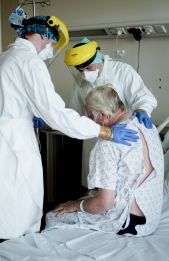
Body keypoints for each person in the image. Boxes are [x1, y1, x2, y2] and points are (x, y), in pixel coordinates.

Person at [0, 14, 139, 252]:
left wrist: (27, 114)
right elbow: (57, 113)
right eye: (53, 44)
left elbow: (6, 102)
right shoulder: (30, 62)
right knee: (16, 209)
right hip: (11, 144)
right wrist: (104, 131)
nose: (51, 49)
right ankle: (16, 254)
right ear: (45, 36)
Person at [45, 85, 164, 237]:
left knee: (52, 217)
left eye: (90, 116)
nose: (90, 121)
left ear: (102, 114)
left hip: (127, 222)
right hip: (150, 219)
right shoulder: (148, 125)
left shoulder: (107, 144)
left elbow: (104, 203)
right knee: (89, 196)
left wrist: (75, 205)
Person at [64, 37, 158, 187]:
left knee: (119, 186)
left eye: (88, 68)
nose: (85, 73)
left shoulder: (122, 71)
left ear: (98, 57)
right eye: (80, 70)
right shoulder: (80, 80)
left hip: (121, 138)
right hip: (94, 139)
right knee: (95, 187)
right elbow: (74, 111)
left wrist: (142, 110)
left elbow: (143, 96)